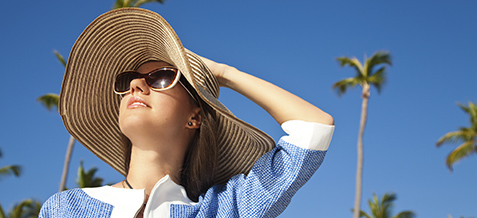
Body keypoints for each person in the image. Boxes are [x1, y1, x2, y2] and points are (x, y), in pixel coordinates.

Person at [39, 8, 334, 218]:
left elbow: (314, 127)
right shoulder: (66, 208)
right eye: (127, 80)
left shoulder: (225, 209)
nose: (136, 85)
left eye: (162, 77)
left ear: (194, 117)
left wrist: (224, 73)